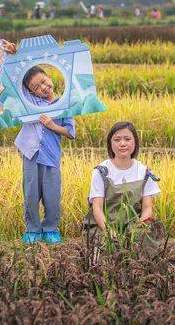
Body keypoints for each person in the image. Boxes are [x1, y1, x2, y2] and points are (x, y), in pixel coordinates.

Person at [15, 65, 75, 244]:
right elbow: (15, 85)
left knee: (52, 196)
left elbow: (70, 133)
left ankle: (50, 229)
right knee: (31, 194)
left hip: (51, 157)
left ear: (49, 76)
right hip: (31, 155)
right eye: (35, 88)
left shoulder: (65, 104)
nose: (42, 88)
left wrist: (52, 125)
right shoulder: (32, 102)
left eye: (43, 81)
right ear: (31, 92)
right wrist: (14, 56)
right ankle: (33, 230)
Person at [83, 121, 162, 252]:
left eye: (127, 139)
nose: (122, 144)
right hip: (103, 224)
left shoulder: (145, 172)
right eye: (117, 139)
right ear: (110, 144)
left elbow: (147, 209)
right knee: (106, 246)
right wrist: (109, 231)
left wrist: (136, 229)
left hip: (134, 225)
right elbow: (96, 207)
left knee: (144, 239)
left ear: (135, 142)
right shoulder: (101, 171)